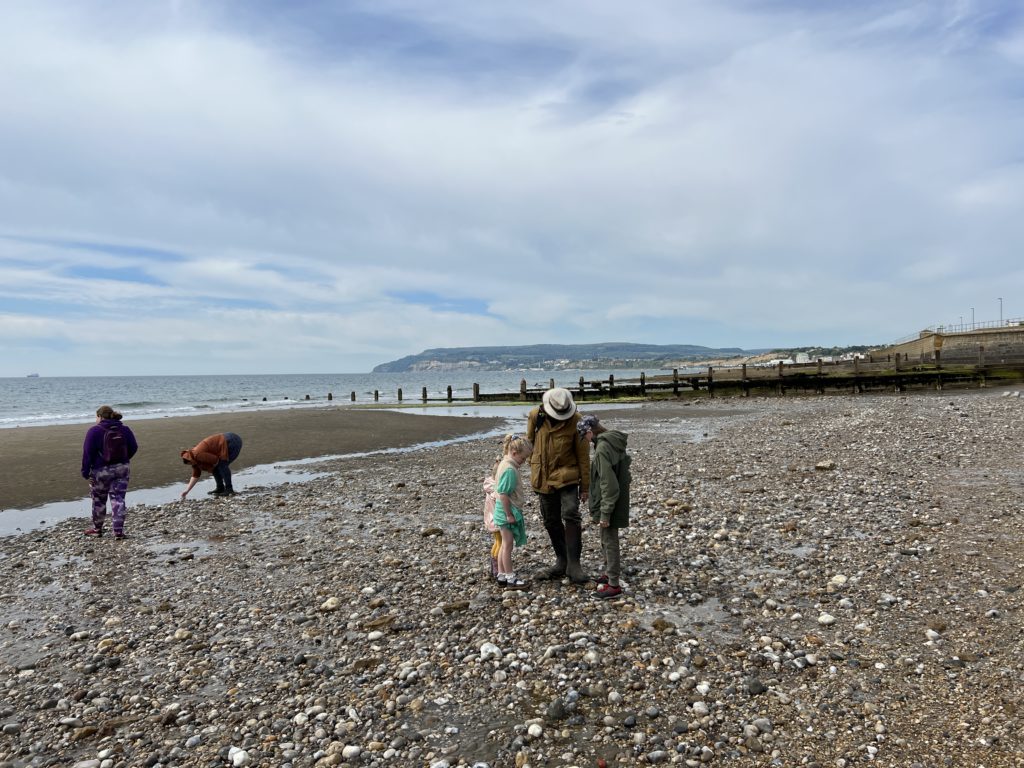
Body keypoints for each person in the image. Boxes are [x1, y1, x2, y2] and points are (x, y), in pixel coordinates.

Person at [526, 387, 590, 583]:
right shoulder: (535, 416)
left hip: (568, 476)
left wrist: (585, 487)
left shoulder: (577, 420)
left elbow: (583, 456)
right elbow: (529, 443)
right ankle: (562, 560)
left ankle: (575, 564)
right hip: (543, 476)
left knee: (571, 513)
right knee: (550, 520)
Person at [577, 414, 632, 600]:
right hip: (617, 500)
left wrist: (605, 513)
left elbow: (609, 484)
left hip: (610, 503)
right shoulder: (613, 441)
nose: (584, 439)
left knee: (609, 540)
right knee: (606, 538)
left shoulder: (602, 449)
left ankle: (614, 584)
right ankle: (609, 573)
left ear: (590, 432)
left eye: (584, 435)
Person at [81, 405, 139, 539]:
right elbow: (134, 447)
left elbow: (87, 454)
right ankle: (118, 531)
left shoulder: (94, 431)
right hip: (122, 469)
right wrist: (124, 459)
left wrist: (85, 472)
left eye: (96, 416)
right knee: (118, 499)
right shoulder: (124, 429)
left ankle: (97, 529)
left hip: (100, 471)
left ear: (100, 416)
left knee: (98, 500)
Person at [492, 434, 533, 589]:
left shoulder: (504, 462)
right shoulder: (509, 469)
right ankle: (510, 577)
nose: (523, 463)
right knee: (508, 546)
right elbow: (503, 494)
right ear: (514, 453)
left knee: (503, 544)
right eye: (523, 459)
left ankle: (501, 575)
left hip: (501, 512)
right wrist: (509, 514)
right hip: (505, 512)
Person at [180, 432, 243, 499]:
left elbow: (215, 460)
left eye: (191, 464)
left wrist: (210, 468)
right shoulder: (193, 458)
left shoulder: (198, 455)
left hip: (232, 441)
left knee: (222, 465)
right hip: (225, 440)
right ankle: (220, 488)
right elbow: (195, 476)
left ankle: (229, 489)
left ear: (190, 460)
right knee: (216, 467)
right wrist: (187, 491)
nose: (192, 466)